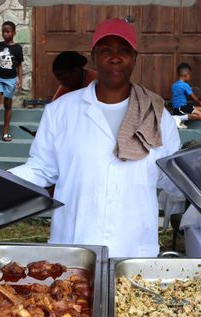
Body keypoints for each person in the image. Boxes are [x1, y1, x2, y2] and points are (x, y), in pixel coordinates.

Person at [9, 18, 181, 258]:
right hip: (75, 245)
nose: (115, 58)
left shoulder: (158, 116)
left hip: (134, 249)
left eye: (124, 51)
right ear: (94, 57)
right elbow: (41, 169)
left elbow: (173, 177)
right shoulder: (61, 111)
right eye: (106, 51)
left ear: (135, 57)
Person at [0, 21, 24, 143]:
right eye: (3, 31)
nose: (5, 34)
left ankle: (5, 132)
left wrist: (20, 79)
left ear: (14, 33)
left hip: (11, 80)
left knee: (8, 105)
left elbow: (19, 66)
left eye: (8, 32)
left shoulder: (17, 48)